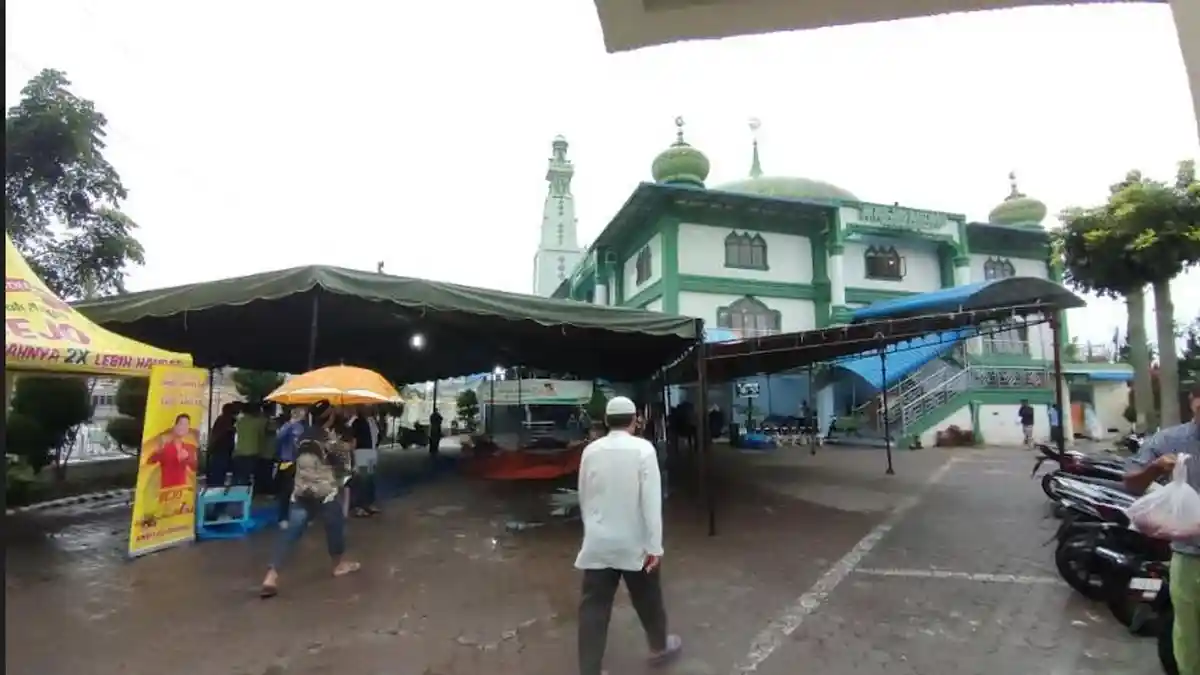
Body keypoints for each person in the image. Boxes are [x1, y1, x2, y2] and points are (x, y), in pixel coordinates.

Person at [575, 396, 682, 675]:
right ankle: (659, 648)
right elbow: (651, 502)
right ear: (635, 420)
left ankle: (590, 669)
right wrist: (654, 547)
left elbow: (584, 496)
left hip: (598, 544)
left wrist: (593, 531)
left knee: (594, 609)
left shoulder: (591, 451)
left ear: (607, 421)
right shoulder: (643, 450)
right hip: (635, 545)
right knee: (648, 600)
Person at [1124, 384, 1200, 675]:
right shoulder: (1169, 440)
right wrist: (1154, 469)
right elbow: (1131, 483)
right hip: (1190, 558)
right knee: (1189, 638)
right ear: (1193, 400)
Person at [260, 400, 359, 597]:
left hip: (301, 491)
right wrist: (347, 446)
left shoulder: (302, 436)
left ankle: (271, 576)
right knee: (335, 525)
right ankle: (338, 564)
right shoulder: (327, 438)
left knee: (291, 534)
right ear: (329, 416)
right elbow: (344, 458)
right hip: (324, 491)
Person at [273, 406, 307, 528]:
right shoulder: (287, 426)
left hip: (299, 461)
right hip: (287, 461)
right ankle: (283, 517)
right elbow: (279, 438)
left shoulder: (302, 427)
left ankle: (298, 516)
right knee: (286, 490)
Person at [146, 414, 199, 491]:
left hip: (182, 491)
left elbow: (195, 468)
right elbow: (150, 461)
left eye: (186, 425)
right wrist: (158, 451)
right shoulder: (165, 447)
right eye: (181, 424)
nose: (183, 428)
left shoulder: (190, 447)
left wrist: (187, 458)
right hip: (166, 493)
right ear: (175, 426)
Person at [349, 405, 382, 517]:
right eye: (367, 406)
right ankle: (359, 506)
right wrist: (353, 457)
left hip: (371, 452)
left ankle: (369, 503)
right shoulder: (357, 422)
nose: (370, 407)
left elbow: (376, 436)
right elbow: (353, 440)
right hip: (361, 453)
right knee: (361, 481)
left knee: (370, 480)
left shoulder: (372, 421)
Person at [233, 403, 269, 490]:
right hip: (252, 453)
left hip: (238, 452)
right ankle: (245, 495)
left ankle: (236, 494)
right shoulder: (257, 422)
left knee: (239, 476)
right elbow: (263, 430)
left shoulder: (238, 421)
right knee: (248, 475)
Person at [205, 402, 239, 488]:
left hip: (219, 450)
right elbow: (222, 434)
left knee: (218, 473)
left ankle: (215, 488)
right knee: (218, 474)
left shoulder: (222, 419)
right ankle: (216, 490)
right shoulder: (225, 421)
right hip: (221, 450)